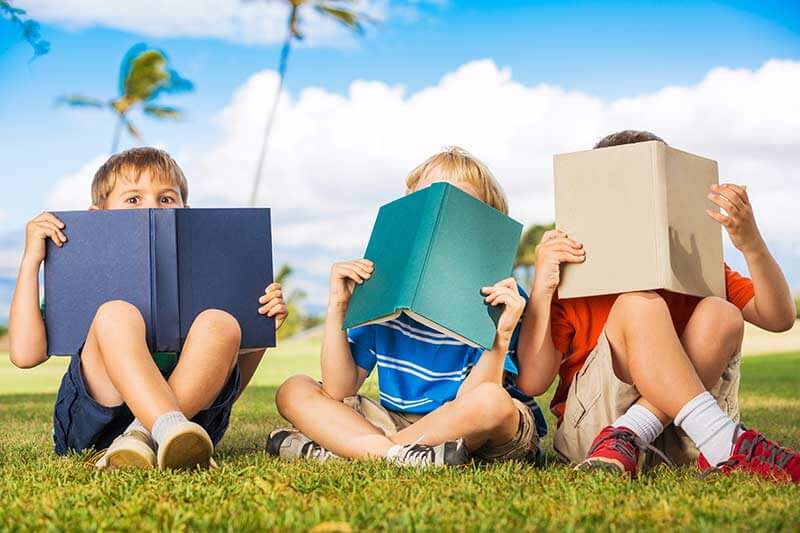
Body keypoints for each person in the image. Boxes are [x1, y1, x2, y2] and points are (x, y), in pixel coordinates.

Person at [516, 130, 799, 482]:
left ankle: (641, 431)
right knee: (639, 306)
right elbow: (532, 381)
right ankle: (725, 441)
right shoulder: (575, 277)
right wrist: (542, 288)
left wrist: (751, 244)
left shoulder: (693, 265)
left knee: (722, 313)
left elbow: (779, 317)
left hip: (678, 439)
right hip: (593, 432)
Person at [8, 147, 287, 470]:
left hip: (190, 429)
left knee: (221, 322)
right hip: (97, 426)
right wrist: (32, 261)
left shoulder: (212, 274)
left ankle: (143, 434)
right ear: (97, 215)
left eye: (166, 198)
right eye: (133, 199)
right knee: (115, 314)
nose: (152, 208)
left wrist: (259, 330)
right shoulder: (83, 274)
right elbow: (26, 356)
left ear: (186, 211)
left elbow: (226, 387)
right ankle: (161, 428)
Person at [267, 146, 547, 467]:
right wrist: (337, 306)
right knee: (294, 388)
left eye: (461, 208)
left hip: (473, 424)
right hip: (396, 420)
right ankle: (399, 455)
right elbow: (338, 388)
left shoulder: (502, 295)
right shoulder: (386, 290)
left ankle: (355, 450)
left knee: (492, 402)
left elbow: (476, 398)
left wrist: (501, 334)